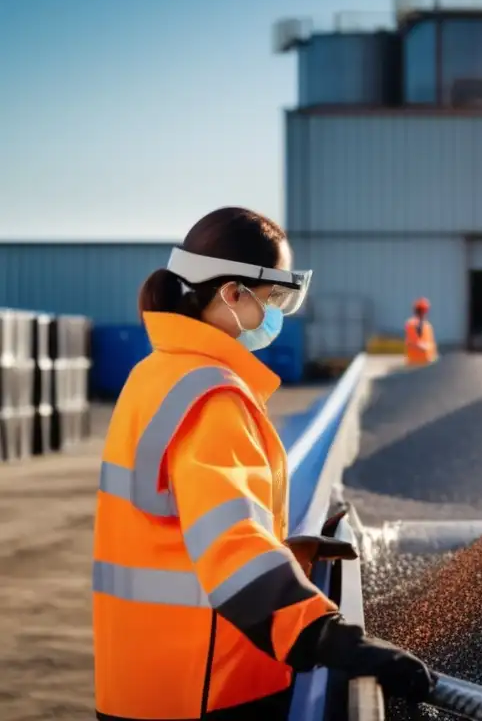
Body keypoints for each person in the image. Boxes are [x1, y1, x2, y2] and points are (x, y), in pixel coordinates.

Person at [92, 207, 435, 721]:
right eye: (275, 297)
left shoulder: (155, 373)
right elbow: (229, 545)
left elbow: (179, 523)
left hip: (142, 679)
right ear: (232, 293)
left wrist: (283, 550)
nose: (277, 312)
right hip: (204, 687)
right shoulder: (213, 397)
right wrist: (325, 634)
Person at [404, 297, 438, 366]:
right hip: (415, 362)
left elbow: (431, 343)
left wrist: (433, 355)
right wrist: (426, 347)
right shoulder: (412, 324)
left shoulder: (427, 325)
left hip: (427, 361)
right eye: (422, 310)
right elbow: (412, 343)